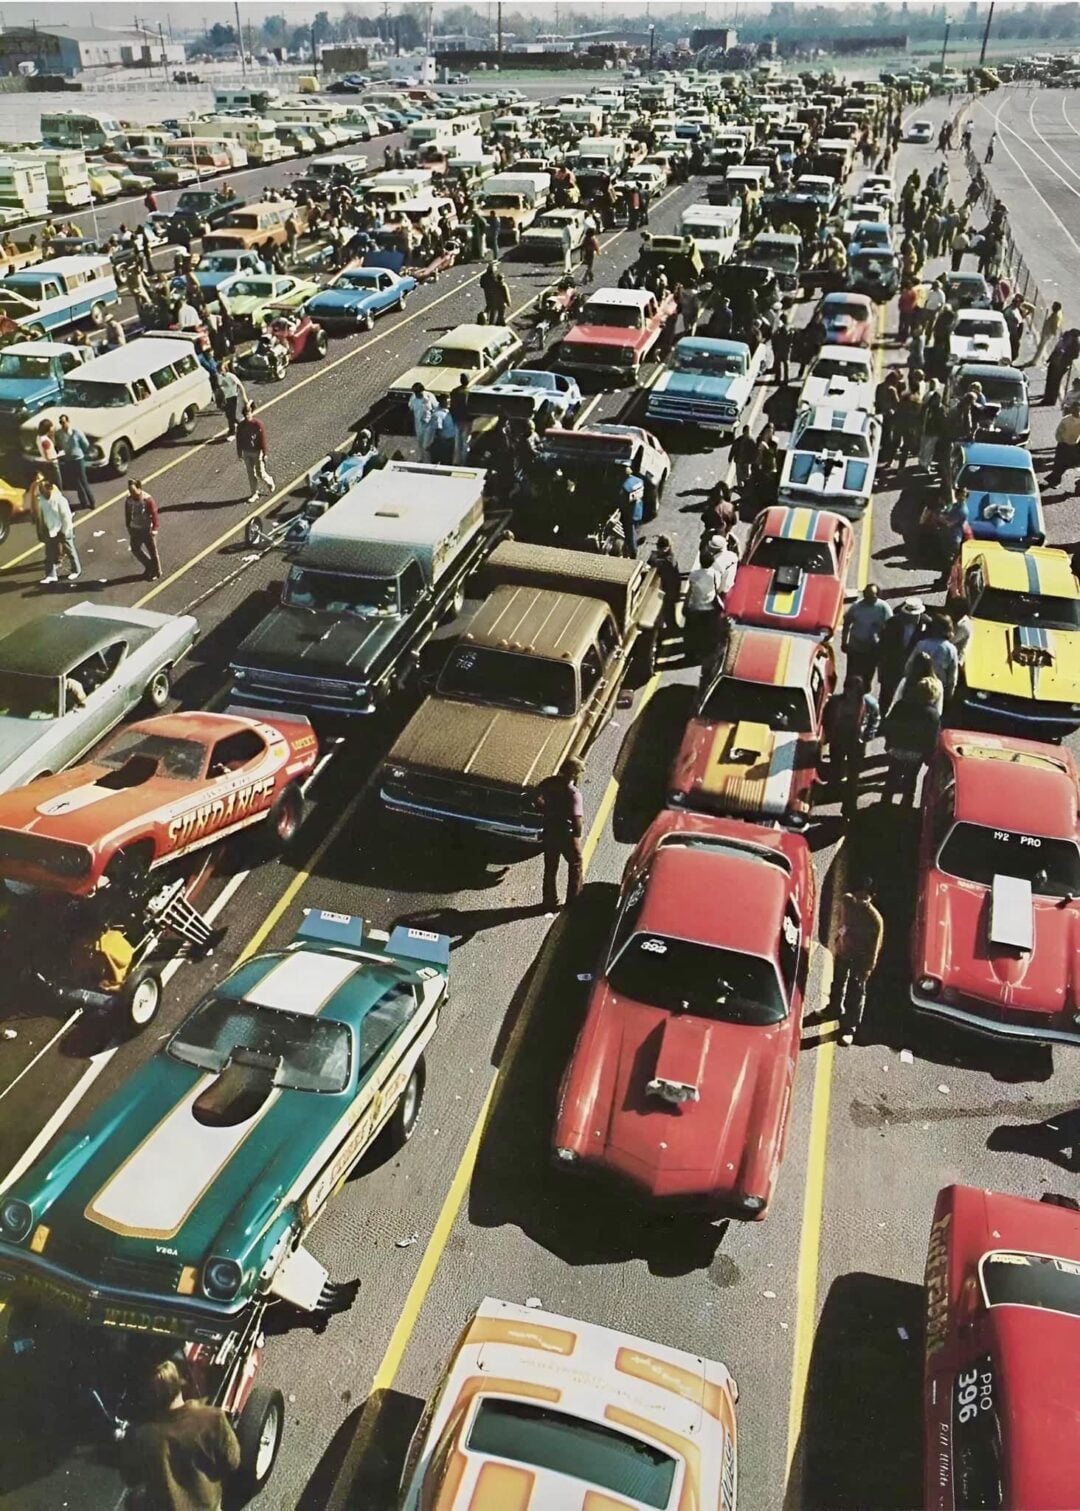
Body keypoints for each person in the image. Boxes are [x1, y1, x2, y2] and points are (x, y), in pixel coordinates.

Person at [123, 1357, 240, 1511]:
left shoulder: (144, 1435)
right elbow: (232, 1462)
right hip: (207, 1505)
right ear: (180, 1382)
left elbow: (131, 1478)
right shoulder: (213, 1417)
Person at [881, 652, 943, 807]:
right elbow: (932, 738)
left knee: (891, 776)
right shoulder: (933, 715)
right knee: (911, 780)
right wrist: (928, 756)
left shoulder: (902, 705)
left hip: (898, 748)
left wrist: (889, 742)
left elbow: (891, 724)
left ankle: (885, 803)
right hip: (916, 753)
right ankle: (905, 807)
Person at [831, 880, 884, 1045]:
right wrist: (838, 939)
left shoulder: (874, 919)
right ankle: (833, 1008)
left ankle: (849, 1028)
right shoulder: (846, 901)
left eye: (865, 897)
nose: (861, 900)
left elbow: (874, 949)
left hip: (860, 959)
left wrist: (867, 970)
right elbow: (840, 920)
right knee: (838, 982)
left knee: (856, 992)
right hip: (843, 950)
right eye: (860, 894)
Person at [537, 758, 584, 911]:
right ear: (574, 774)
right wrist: (577, 833)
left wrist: (545, 811)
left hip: (550, 829)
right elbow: (576, 818)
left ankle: (549, 900)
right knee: (575, 863)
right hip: (566, 834)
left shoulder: (548, 782)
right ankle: (573, 900)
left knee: (550, 866)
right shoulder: (573, 793)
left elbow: (536, 798)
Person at [30, 472, 80, 584]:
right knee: (49, 553)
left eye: (43, 490)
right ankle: (51, 575)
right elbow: (41, 515)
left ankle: (76, 570)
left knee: (70, 549)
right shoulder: (42, 501)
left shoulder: (60, 500)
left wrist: (65, 530)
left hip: (62, 529)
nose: (42, 493)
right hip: (50, 530)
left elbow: (66, 517)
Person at [877, 596, 925, 710]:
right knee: (887, 693)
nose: (914, 618)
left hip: (913, 665)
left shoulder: (926, 624)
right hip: (893, 665)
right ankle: (882, 712)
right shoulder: (892, 623)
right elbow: (883, 645)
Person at [842, 583, 891, 691]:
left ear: (877, 595)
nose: (870, 599)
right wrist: (844, 641)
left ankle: (863, 697)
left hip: (873, 648)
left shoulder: (883, 608)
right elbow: (847, 623)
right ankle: (848, 693)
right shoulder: (856, 607)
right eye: (867, 596)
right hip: (855, 646)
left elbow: (891, 626)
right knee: (851, 674)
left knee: (868, 674)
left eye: (873, 596)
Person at [683, 546, 727, 662]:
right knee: (706, 633)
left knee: (693, 632)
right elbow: (717, 587)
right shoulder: (715, 574)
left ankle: (691, 654)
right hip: (710, 608)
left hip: (696, 607)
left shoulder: (694, 575)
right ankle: (704, 654)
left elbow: (691, 588)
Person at [905, 612, 958, 702]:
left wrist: (907, 680)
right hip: (936, 690)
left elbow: (909, 665)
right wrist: (950, 692)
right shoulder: (951, 650)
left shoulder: (922, 644)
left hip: (917, 685)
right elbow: (952, 675)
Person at [235, 402, 274, 503]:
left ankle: (269, 481)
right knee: (250, 473)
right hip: (247, 452)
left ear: (252, 412)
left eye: (249, 413)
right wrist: (239, 453)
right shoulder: (241, 426)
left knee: (260, 473)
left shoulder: (258, 424)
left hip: (257, 452)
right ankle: (254, 493)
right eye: (246, 414)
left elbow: (263, 439)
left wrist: (265, 453)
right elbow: (238, 440)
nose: (247, 415)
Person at [56, 413, 95, 511]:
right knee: (76, 482)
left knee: (83, 480)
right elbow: (58, 445)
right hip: (69, 460)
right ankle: (83, 502)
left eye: (64, 422)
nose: (63, 424)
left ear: (68, 422)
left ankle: (92, 501)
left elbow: (85, 444)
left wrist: (84, 453)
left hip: (78, 459)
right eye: (61, 422)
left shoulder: (76, 432)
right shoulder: (59, 434)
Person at [124, 478, 161, 581]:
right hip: (135, 528)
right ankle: (149, 566)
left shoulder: (147, 499)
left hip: (146, 528)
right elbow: (127, 514)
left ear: (139, 488)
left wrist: (155, 529)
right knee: (135, 549)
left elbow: (154, 514)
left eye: (134, 490)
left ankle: (157, 571)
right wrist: (128, 526)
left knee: (152, 551)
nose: (132, 493)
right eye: (130, 491)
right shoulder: (129, 500)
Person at [649, 534, 682, 640]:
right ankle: (671, 628)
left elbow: (652, 561)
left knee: (669, 609)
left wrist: (654, 556)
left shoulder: (668, 560)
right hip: (670, 586)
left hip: (671, 588)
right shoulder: (668, 556)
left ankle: (672, 630)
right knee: (668, 609)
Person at [1047, 402, 1080, 488]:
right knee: (1059, 463)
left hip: (1075, 446)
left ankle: (1053, 478)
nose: (1077, 411)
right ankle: (1055, 481)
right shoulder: (1066, 420)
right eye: (1075, 409)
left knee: (1070, 464)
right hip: (1063, 445)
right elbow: (1059, 432)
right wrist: (1060, 441)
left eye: (1078, 409)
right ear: (1072, 410)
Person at [619, 461, 645, 557]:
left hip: (630, 513)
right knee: (635, 530)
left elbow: (623, 502)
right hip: (639, 509)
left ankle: (633, 554)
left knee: (630, 535)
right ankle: (633, 545)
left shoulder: (625, 486)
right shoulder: (639, 480)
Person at [216, 360, 247, 439]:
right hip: (226, 398)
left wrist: (245, 398)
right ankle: (239, 427)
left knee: (232, 415)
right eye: (219, 369)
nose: (220, 371)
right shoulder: (219, 377)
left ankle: (232, 432)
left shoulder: (231, 376)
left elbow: (240, 385)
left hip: (233, 397)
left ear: (225, 369)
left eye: (221, 369)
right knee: (229, 415)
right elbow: (220, 388)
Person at [408, 382, 437, 462]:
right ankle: (423, 460)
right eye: (415, 392)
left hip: (429, 425)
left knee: (426, 445)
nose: (416, 394)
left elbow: (436, 408)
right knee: (420, 444)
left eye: (418, 392)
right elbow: (411, 409)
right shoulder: (413, 398)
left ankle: (428, 462)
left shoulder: (429, 396)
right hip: (418, 425)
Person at [1030, 300, 1063, 368]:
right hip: (1046, 333)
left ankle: (1034, 361)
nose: (1052, 306)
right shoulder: (1055, 314)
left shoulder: (1055, 316)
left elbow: (1055, 327)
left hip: (1047, 334)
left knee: (1041, 347)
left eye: (1053, 306)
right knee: (1041, 346)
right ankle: (1037, 359)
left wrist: (1052, 334)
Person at [449, 372, 471, 464]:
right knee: (465, 443)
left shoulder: (454, 391)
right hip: (466, 420)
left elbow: (452, 406)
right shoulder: (470, 392)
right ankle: (464, 462)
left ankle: (456, 461)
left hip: (457, 420)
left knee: (457, 442)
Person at [429, 394, 457, 465]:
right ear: (441, 401)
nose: (449, 402)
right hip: (443, 443)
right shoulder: (438, 414)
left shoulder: (448, 412)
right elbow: (438, 430)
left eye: (449, 400)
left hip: (451, 441)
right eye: (447, 401)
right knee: (444, 461)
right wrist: (443, 443)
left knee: (449, 461)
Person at [35, 417, 62, 487]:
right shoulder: (45, 441)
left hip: (46, 464)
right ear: (48, 428)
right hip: (52, 464)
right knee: (57, 485)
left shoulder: (39, 437)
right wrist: (56, 456)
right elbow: (48, 455)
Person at [730, 424, 758, 490]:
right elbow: (733, 449)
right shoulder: (739, 440)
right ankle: (740, 488)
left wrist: (752, 461)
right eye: (747, 431)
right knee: (739, 476)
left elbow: (755, 453)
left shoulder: (752, 441)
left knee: (746, 476)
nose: (748, 433)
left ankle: (746, 488)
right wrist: (730, 457)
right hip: (739, 461)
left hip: (746, 462)